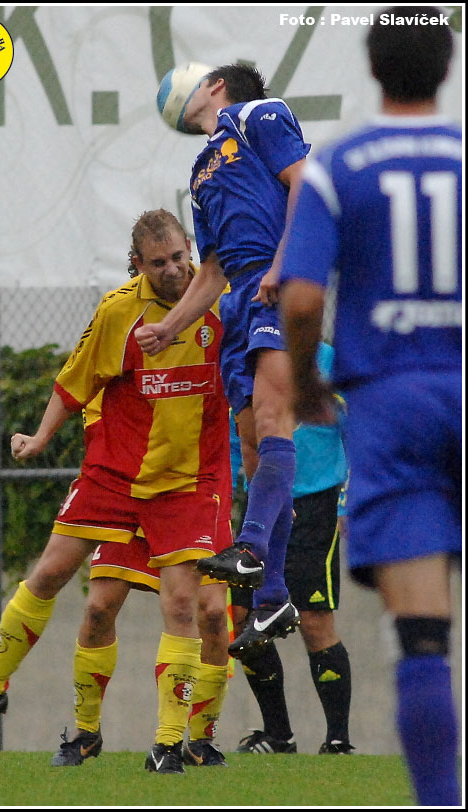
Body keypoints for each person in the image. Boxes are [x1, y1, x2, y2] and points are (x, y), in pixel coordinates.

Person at [0, 209, 232, 776]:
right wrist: (39, 437)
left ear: (190, 248)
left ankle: (175, 743)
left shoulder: (224, 303)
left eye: (179, 257)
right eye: (159, 262)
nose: (173, 270)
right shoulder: (118, 311)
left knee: (196, 608)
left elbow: (257, 375)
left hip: (187, 483)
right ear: (138, 264)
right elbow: (75, 381)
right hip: (116, 475)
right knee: (64, 584)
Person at [280, 8, 460, 805]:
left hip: (390, 406)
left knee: (421, 640)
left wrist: (306, 384)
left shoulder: (337, 166)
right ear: (446, 66)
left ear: (372, 63)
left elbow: (300, 299)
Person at [136, 64, 311, 656]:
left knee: (273, 418)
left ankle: (252, 548)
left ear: (215, 86)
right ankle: (273, 597)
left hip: (278, 282)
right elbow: (210, 268)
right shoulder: (201, 169)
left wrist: (284, 264)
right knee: (254, 448)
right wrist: (169, 327)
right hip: (239, 298)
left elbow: (304, 183)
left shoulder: (258, 114)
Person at [49, 388, 231, 771]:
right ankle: (86, 732)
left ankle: (196, 739)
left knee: (213, 614)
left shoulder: (210, 356)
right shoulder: (114, 363)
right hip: (130, 490)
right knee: (98, 609)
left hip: (193, 491)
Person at [232, 342, 354, 755]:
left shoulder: (328, 359)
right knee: (244, 620)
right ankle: (278, 735)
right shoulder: (247, 358)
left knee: (314, 620)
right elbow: (237, 433)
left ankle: (338, 740)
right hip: (261, 508)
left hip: (316, 503)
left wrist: (346, 502)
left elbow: (359, 430)